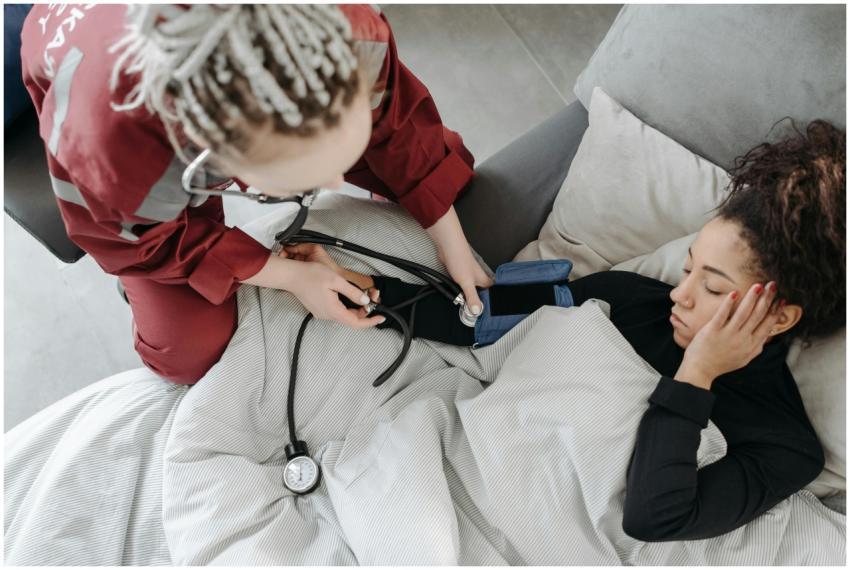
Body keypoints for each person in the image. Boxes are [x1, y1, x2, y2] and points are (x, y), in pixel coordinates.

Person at [290, 119, 845, 541]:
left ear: (781, 317)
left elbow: (656, 516)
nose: (680, 292)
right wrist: (361, 284)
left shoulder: (785, 444)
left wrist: (697, 373)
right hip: (445, 489)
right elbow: (486, 318)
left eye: (715, 287)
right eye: (688, 266)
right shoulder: (630, 298)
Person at [20, 4, 491, 384]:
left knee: (449, 180)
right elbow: (140, 242)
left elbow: (396, 120)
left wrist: (446, 231)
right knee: (187, 355)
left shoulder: (346, 30)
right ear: (216, 159)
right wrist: (287, 276)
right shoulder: (114, 151)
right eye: (305, 178)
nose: (334, 186)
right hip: (82, 64)